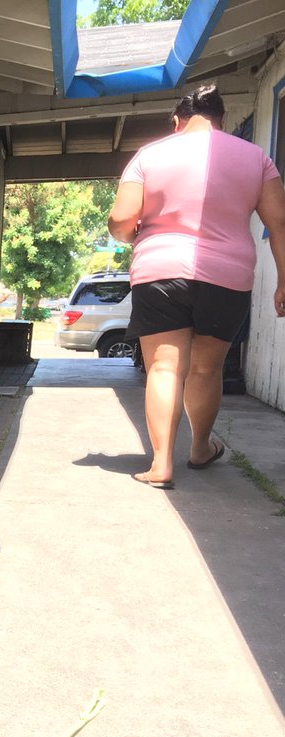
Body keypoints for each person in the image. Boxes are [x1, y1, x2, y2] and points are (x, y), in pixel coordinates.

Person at [108, 84, 285, 489]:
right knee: (207, 369)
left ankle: (161, 464)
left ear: (177, 122)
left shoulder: (151, 154)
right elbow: (280, 223)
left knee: (164, 367)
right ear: (221, 120)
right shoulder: (257, 158)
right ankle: (200, 447)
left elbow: (121, 220)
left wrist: (128, 233)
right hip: (228, 276)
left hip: (161, 270)